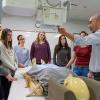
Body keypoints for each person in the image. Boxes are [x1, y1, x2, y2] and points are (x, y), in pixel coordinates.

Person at [58, 13, 100, 81]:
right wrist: (92, 71)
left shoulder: (98, 35)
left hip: (91, 71)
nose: (88, 25)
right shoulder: (95, 37)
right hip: (83, 69)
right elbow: (95, 56)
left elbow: (82, 40)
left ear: (98, 21)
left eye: (90, 22)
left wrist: (65, 33)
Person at [0, 28, 17, 100]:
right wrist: (7, 73)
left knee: (9, 93)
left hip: (11, 72)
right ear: (4, 35)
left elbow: (15, 59)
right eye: (8, 35)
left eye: (11, 35)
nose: (10, 37)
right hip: (4, 75)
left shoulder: (10, 46)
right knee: (5, 94)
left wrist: (15, 67)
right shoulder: (0, 45)